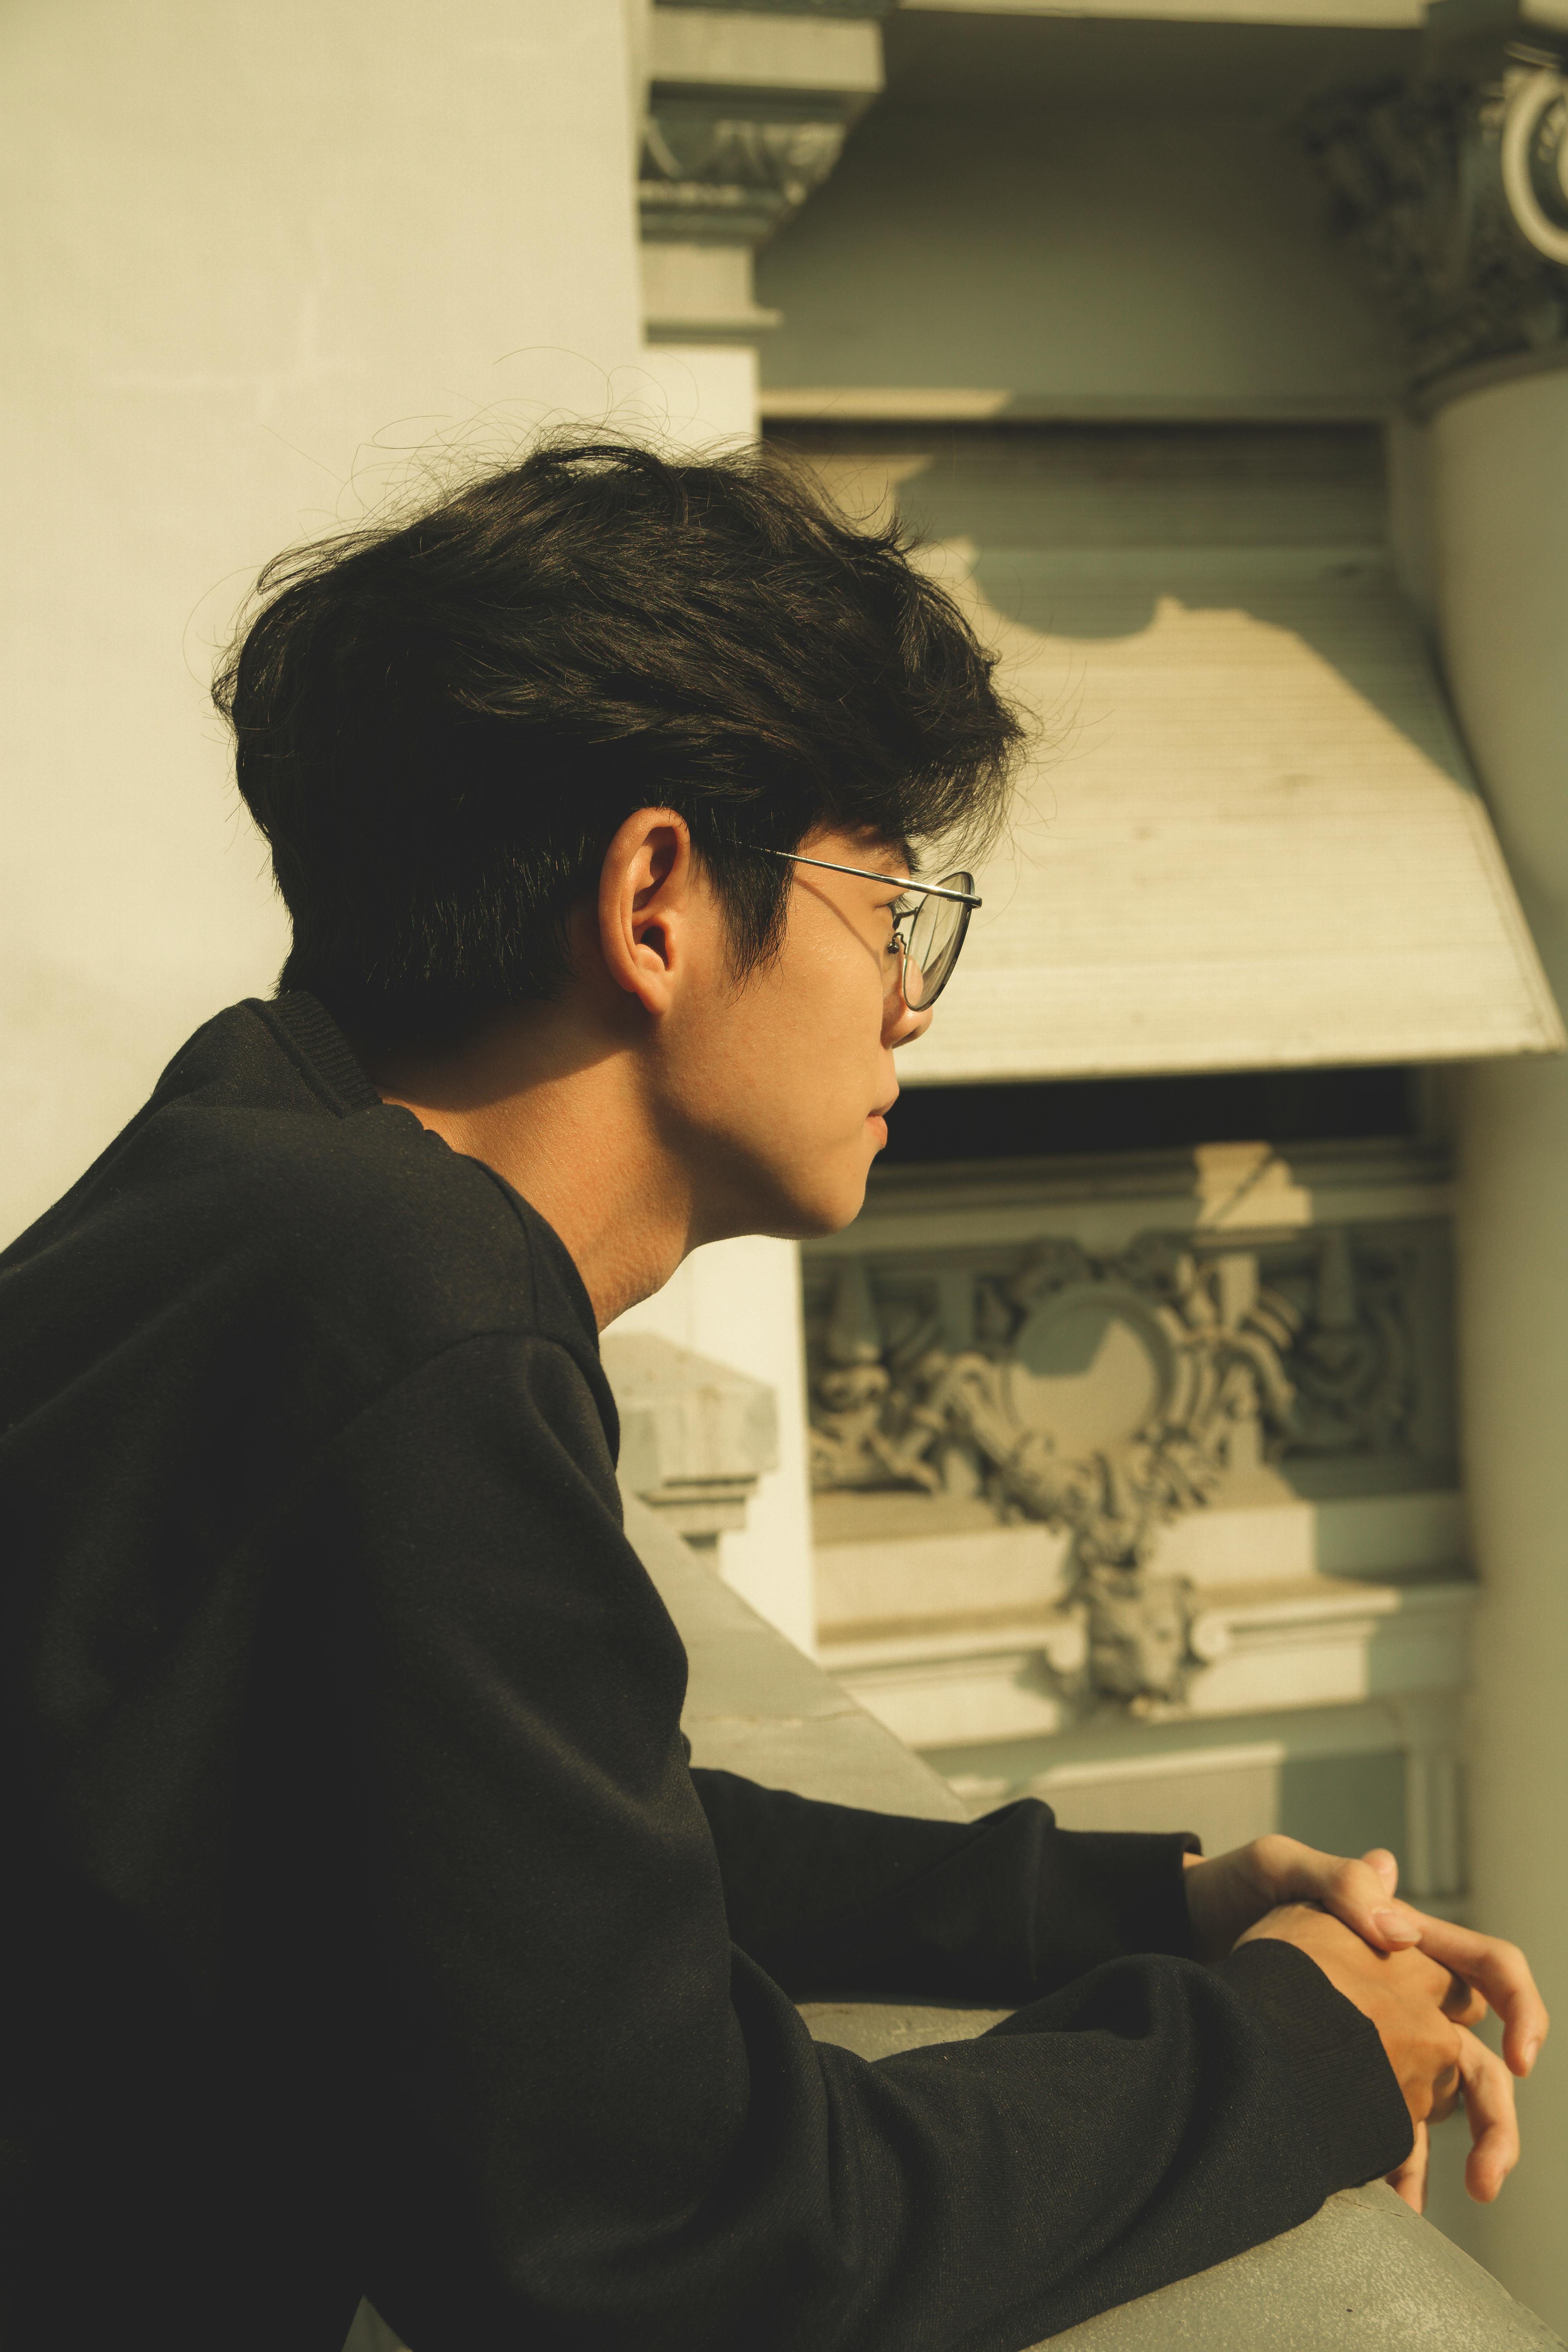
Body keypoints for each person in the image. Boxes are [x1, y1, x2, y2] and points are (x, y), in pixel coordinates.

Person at [0, 437, 1545, 2352]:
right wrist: (1300, 2045)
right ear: (657, 897)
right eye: (889, 907)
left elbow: (549, 1842)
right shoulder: (416, 1324)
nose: (908, 1005)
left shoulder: (255, 1175)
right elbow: (688, 2247)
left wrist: (1139, 1905)